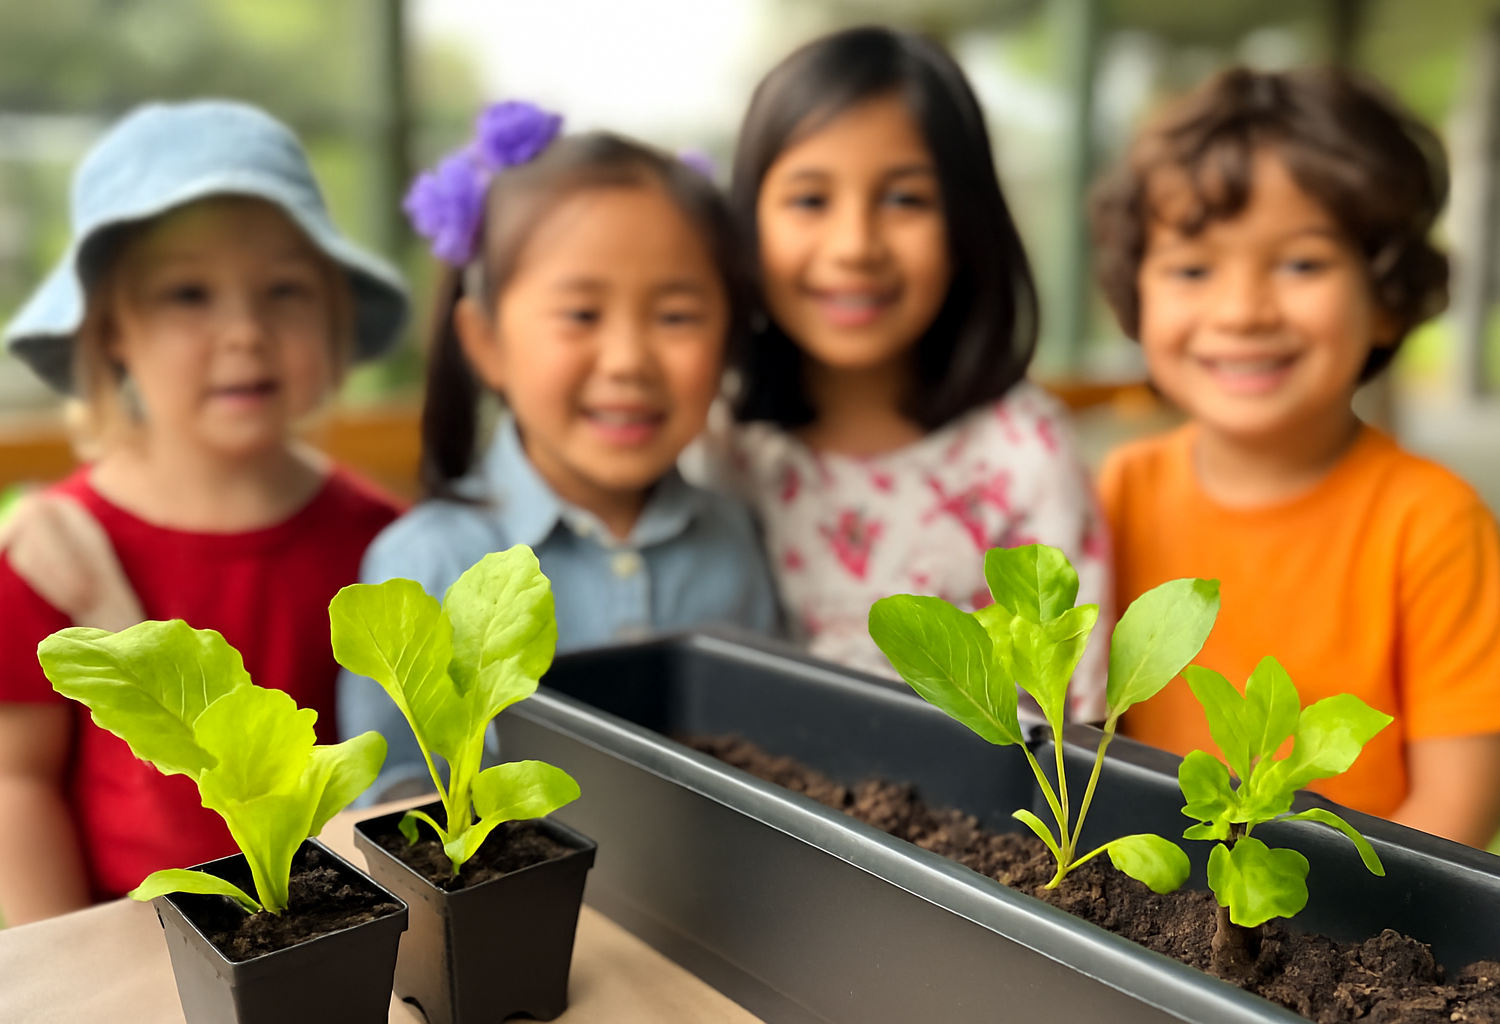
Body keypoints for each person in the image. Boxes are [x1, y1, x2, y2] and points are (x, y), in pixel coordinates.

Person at [0, 100, 410, 923]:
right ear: (111, 336)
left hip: (330, 950)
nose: (244, 331)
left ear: (334, 320)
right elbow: (9, 776)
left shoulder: (383, 541)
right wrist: (64, 963)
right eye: (188, 294)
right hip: (127, 954)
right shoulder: (52, 556)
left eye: (284, 289)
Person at [1093, 67, 1500, 846]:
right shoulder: (1119, 490)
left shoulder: (1435, 524)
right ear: (1136, 298)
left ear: (1387, 297)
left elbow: (1458, 812)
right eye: (1192, 269)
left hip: (1354, 934)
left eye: (1302, 263)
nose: (1243, 311)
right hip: (1141, 912)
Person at [339, 102, 780, 803]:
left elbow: (770, 763)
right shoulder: (423, 565)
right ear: (485, 342)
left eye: (676, 316)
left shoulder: (735, 539)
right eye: (581, 314)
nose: (630, 361)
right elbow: (390, 804)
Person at [707, 26, 1109, 715]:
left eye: (904, 200)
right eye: (810, 200)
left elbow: (1080, 720)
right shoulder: (720, 447)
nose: (855, 245)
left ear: (966, 229)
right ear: (748, 229)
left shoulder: (1024, 454)